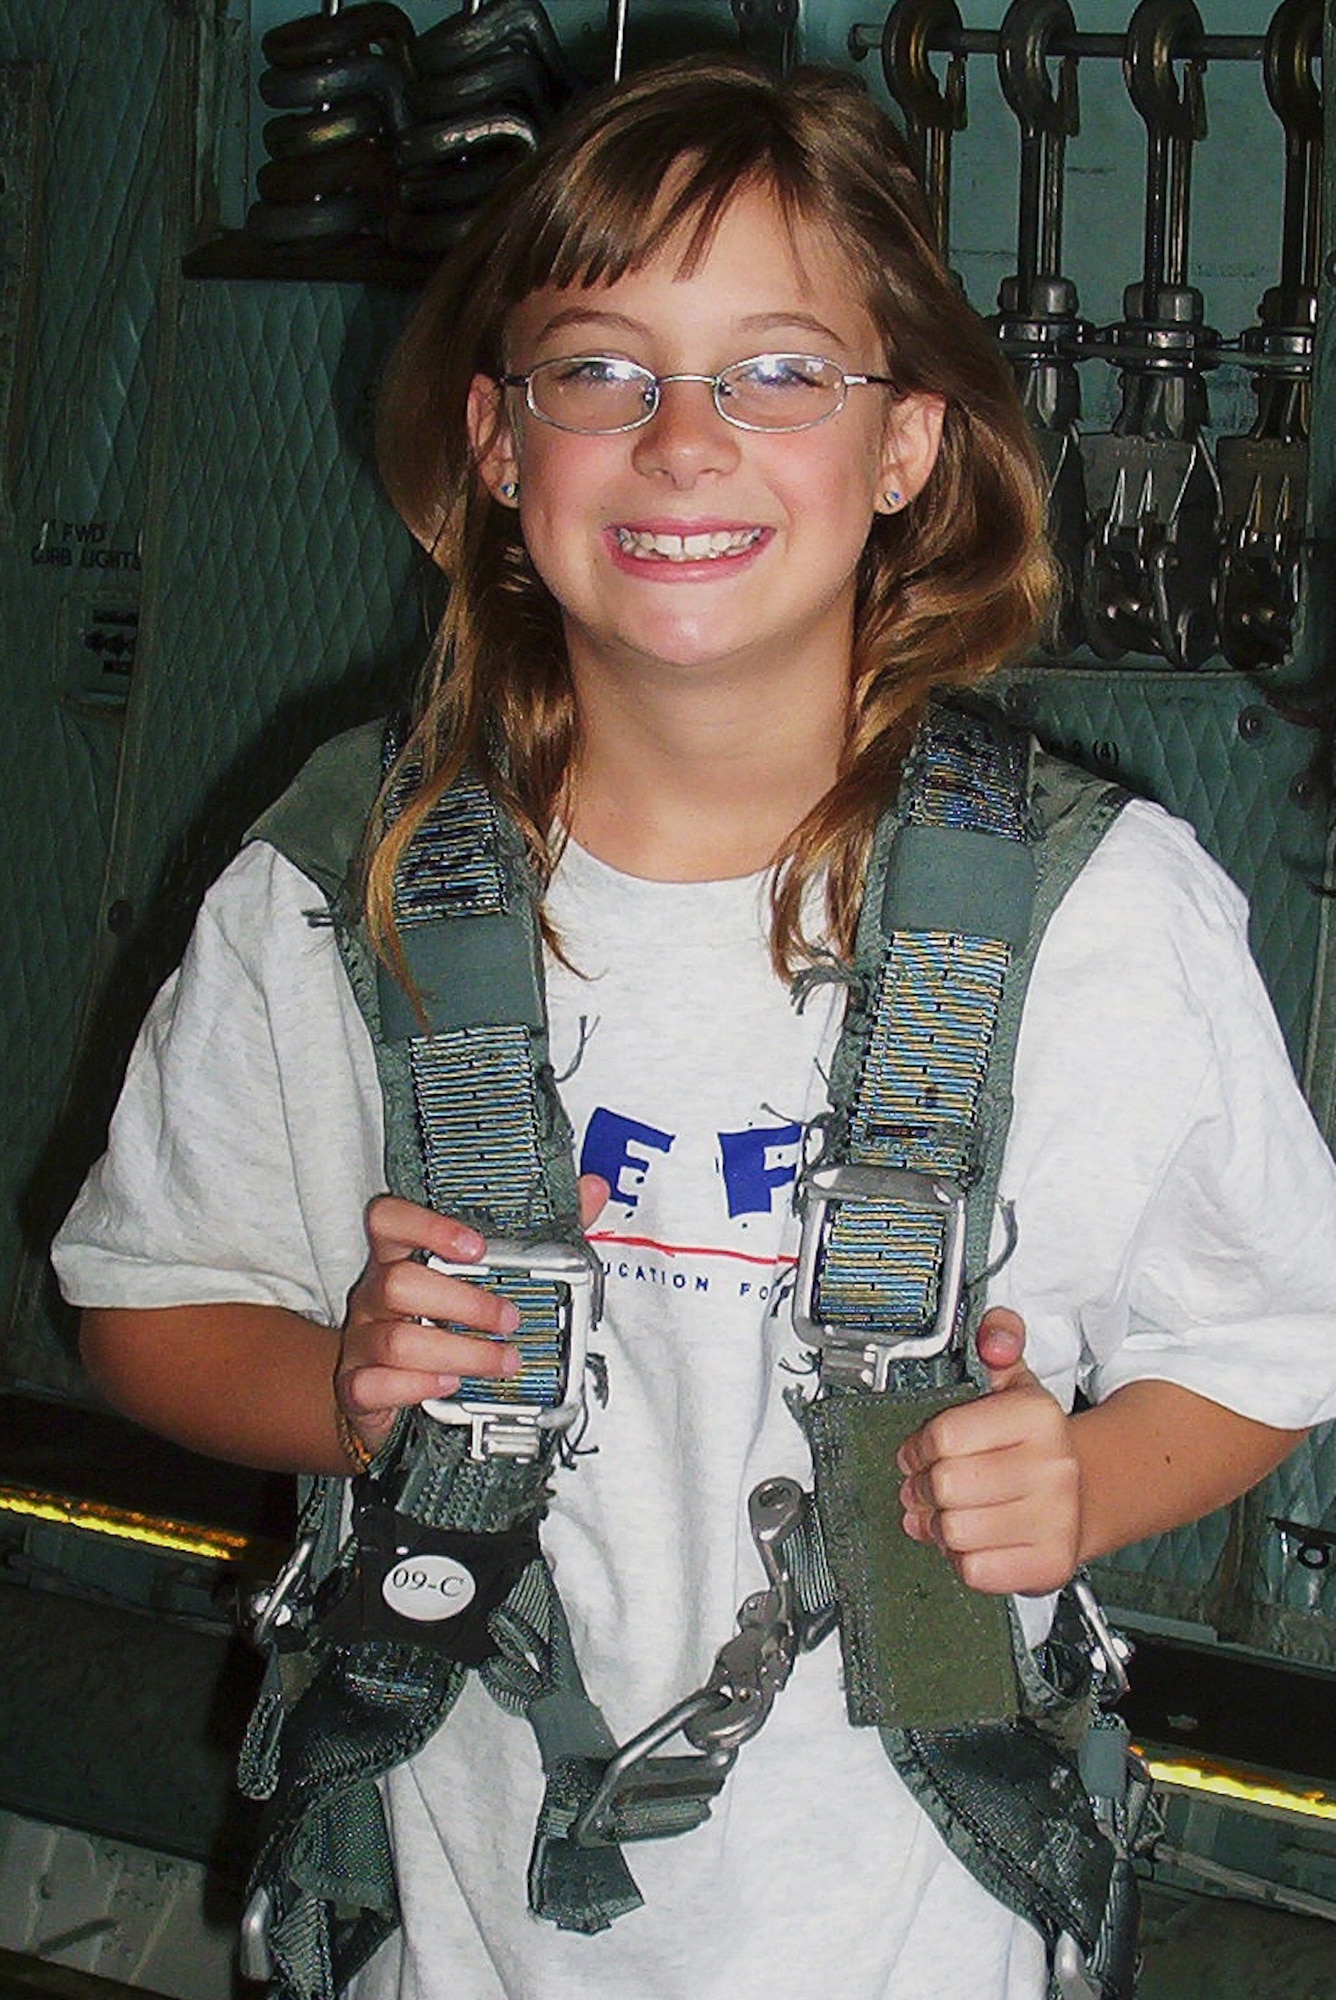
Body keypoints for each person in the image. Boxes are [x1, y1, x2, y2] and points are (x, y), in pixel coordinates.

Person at [52, 54, 1336, 2000]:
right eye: (601, 366)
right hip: (460, 1931)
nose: (680, 438)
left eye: (774, 370)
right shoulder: (347, 894)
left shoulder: (1091, 927)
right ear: (495, 439)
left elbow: (1270, 1341)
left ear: (902, 442)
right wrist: (343, 1394)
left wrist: (1086, 1481)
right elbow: (148, 1303)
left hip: (902, 1934)